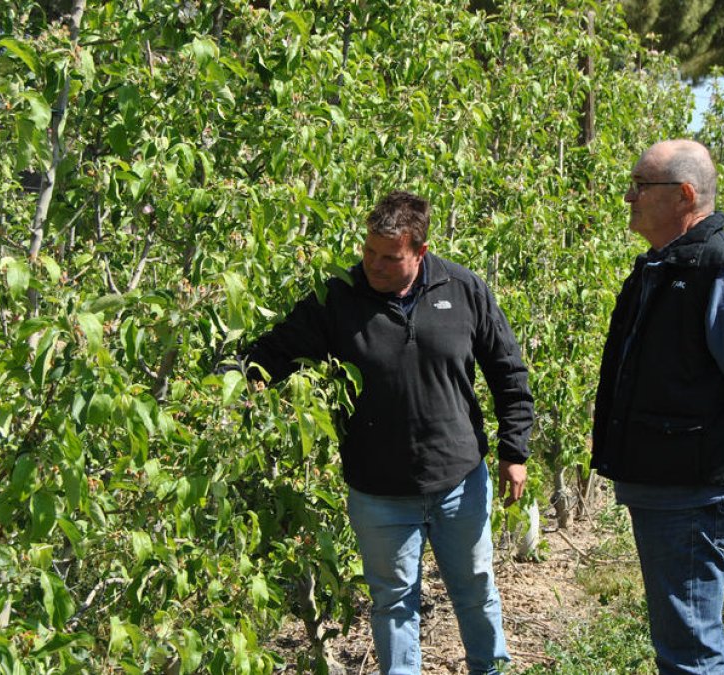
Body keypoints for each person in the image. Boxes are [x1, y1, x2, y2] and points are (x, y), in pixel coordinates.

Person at [225, 190, 534, 674]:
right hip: (379, 490)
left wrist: (514, 450)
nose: (374, 264)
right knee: (393, 602)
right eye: (369, 251)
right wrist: (225, 380)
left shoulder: (463, 289)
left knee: (475, 588)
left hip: (459, 481)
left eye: (390, 257)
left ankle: (488, 668)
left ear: (420, 252)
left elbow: (507, 370)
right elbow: (278, 350)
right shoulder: (338, 298)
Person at [590, 139, 724, 674]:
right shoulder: (665, 267)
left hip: (692, 489)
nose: (629, 196)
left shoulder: (714, 272)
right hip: (672, 485)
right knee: (683, 643)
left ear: (684, 194)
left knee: (690, 651)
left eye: (641, 185)